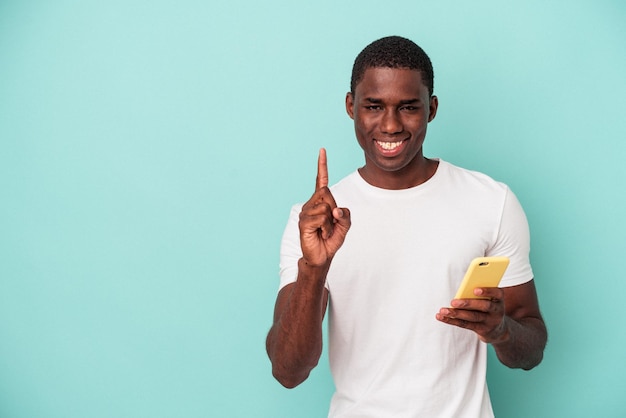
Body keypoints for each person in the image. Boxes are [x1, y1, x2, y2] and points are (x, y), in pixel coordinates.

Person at [266, 36, 547, 417]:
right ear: (351, 107)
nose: (391, 125)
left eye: (408, 107)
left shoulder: (491, 201)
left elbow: (531, 350)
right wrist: (314, 268)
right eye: (373, 106)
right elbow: (288, 370)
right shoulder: (314, 222)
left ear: (431, 109)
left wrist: (501, 331)